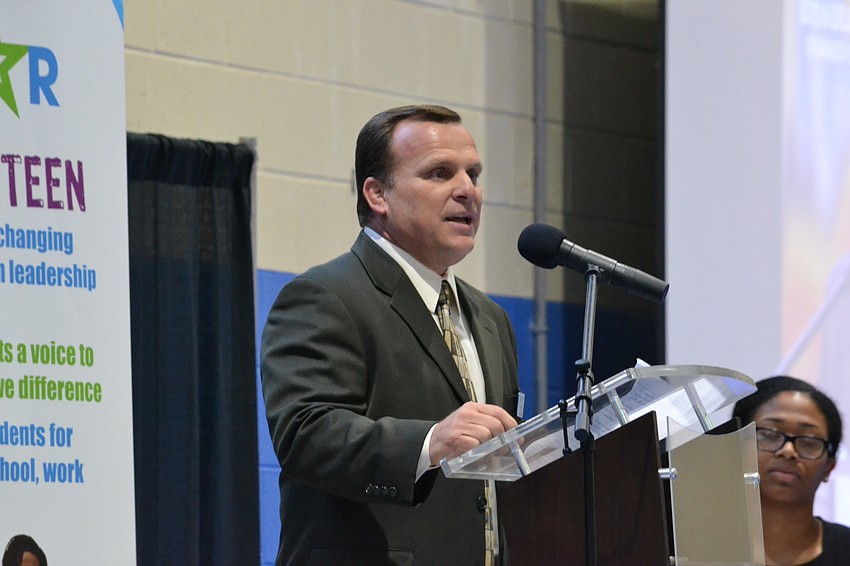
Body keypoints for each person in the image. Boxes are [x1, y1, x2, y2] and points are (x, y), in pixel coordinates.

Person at [261, 105, 521, 565]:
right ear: (378, 193)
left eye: (473, 174)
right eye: (440, 173)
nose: (467, 190)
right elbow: (305, 435)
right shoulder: (324, 296)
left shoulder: (489, 318)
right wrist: (429, 443)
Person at [732, 375, 850, 565]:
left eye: (808, 441)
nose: (788, 451)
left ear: (829, 466)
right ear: (736, 447)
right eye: (769, 434)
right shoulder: (692, 547)